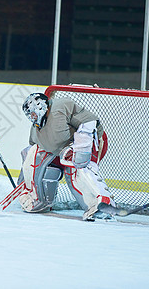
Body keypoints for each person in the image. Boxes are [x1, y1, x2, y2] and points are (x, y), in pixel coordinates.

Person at [19, 93, 117, 221]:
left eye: (32, 113)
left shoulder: (61, 106)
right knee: (43, 165)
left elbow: (90, 123)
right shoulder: (35, 131)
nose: (31, 117)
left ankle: (104, 205)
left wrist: (80, 149)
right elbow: (34, 153)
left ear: (40, 107)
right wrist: (24, 180)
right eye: (29, 115)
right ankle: (41, 201)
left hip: (89, 142)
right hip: (63, 152)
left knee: (76, 165)